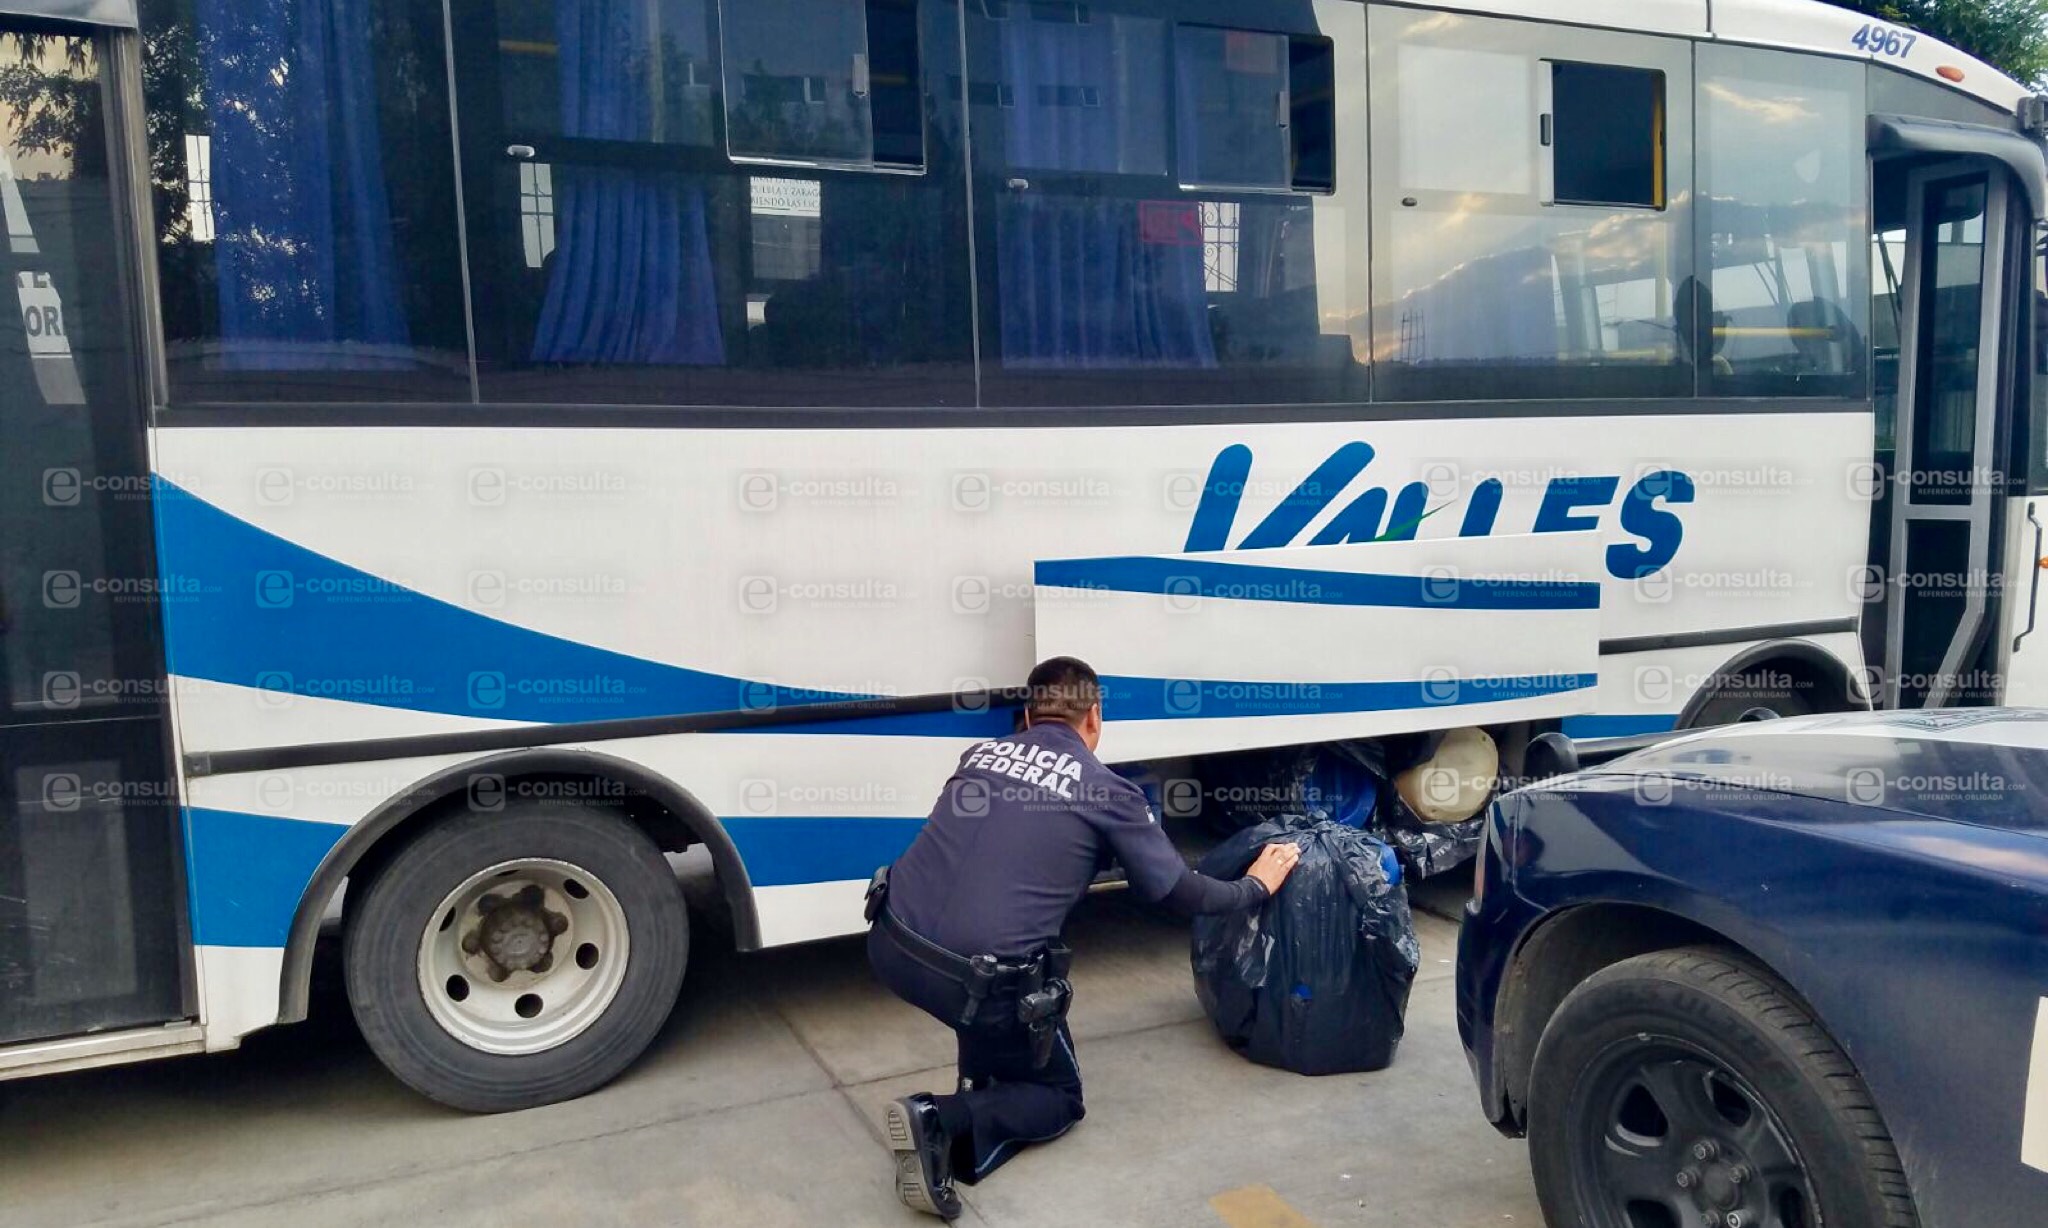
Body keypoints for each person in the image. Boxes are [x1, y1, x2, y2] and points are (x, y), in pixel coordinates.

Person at [865, 657, 1302, 1219]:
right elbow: (1175, 892)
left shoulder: (978, 755)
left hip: (890, 944)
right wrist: (1254, 888)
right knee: (1057, 1095)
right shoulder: (1109, 791)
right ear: (1095, 715)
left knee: (1000, 951)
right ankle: (940, 1119)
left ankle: (983, 1075)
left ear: (1027, 716)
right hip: (971, 985)